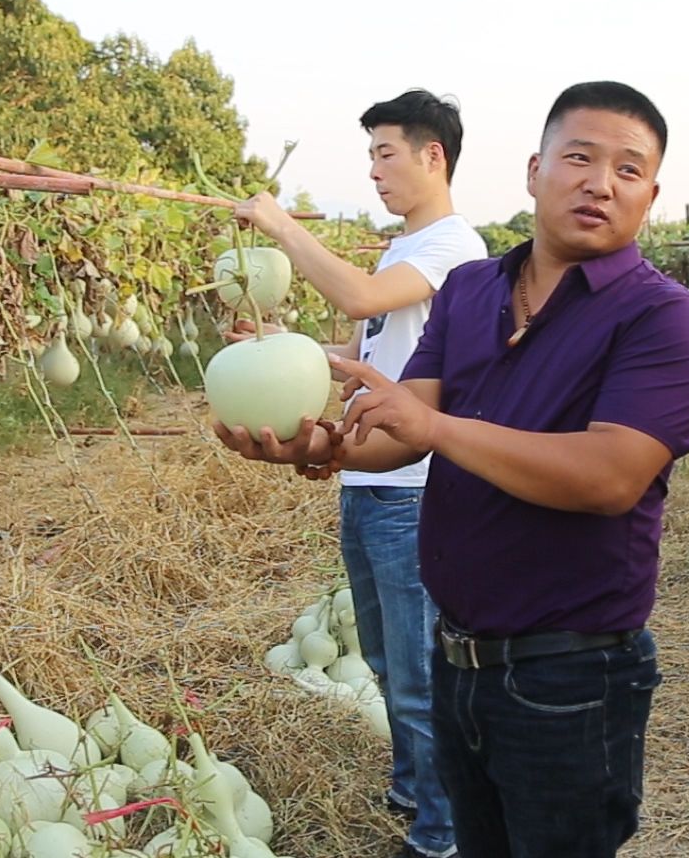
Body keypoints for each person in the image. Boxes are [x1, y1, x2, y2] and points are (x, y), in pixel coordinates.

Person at [219, 80, 689, 858]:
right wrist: (323, 448)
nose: (599, 182)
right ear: (533, 169)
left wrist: (437, 426)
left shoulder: (662, 319)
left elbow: (609, 476)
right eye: (579, 158)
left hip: (572, 676)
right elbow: (401, 424)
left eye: (628, 169)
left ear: (651, 194)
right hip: (460, 661)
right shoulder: (470, 290)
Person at [234, 89, 487, 858]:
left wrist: (280, 226)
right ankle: (416, 788)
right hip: (369, 481)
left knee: (416, 674)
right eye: (370, 156)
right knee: (383, 658)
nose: (374, 171)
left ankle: (441, 835)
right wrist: (277, 343)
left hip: (415, 490)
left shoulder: (451, 246)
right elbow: (364, 363)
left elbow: (360, 297)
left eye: (385, 153)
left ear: (431, 155)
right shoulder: (398, 251)